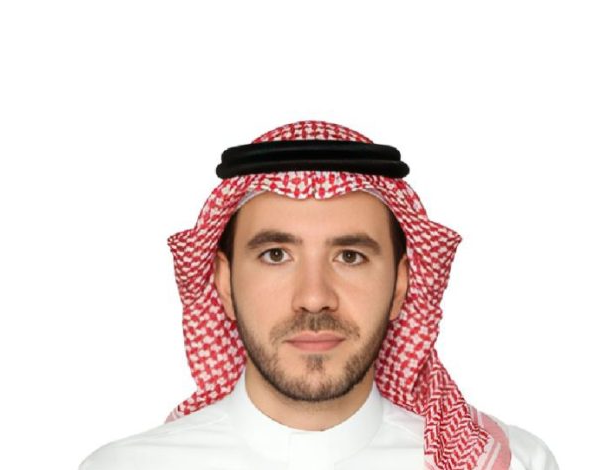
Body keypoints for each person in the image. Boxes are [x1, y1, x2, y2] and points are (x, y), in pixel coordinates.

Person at [79, 120, 560, 470]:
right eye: (276, 255)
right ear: (223, 284)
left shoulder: (509, 464)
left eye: (350, 256)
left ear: (401, 286)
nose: (313, 298)